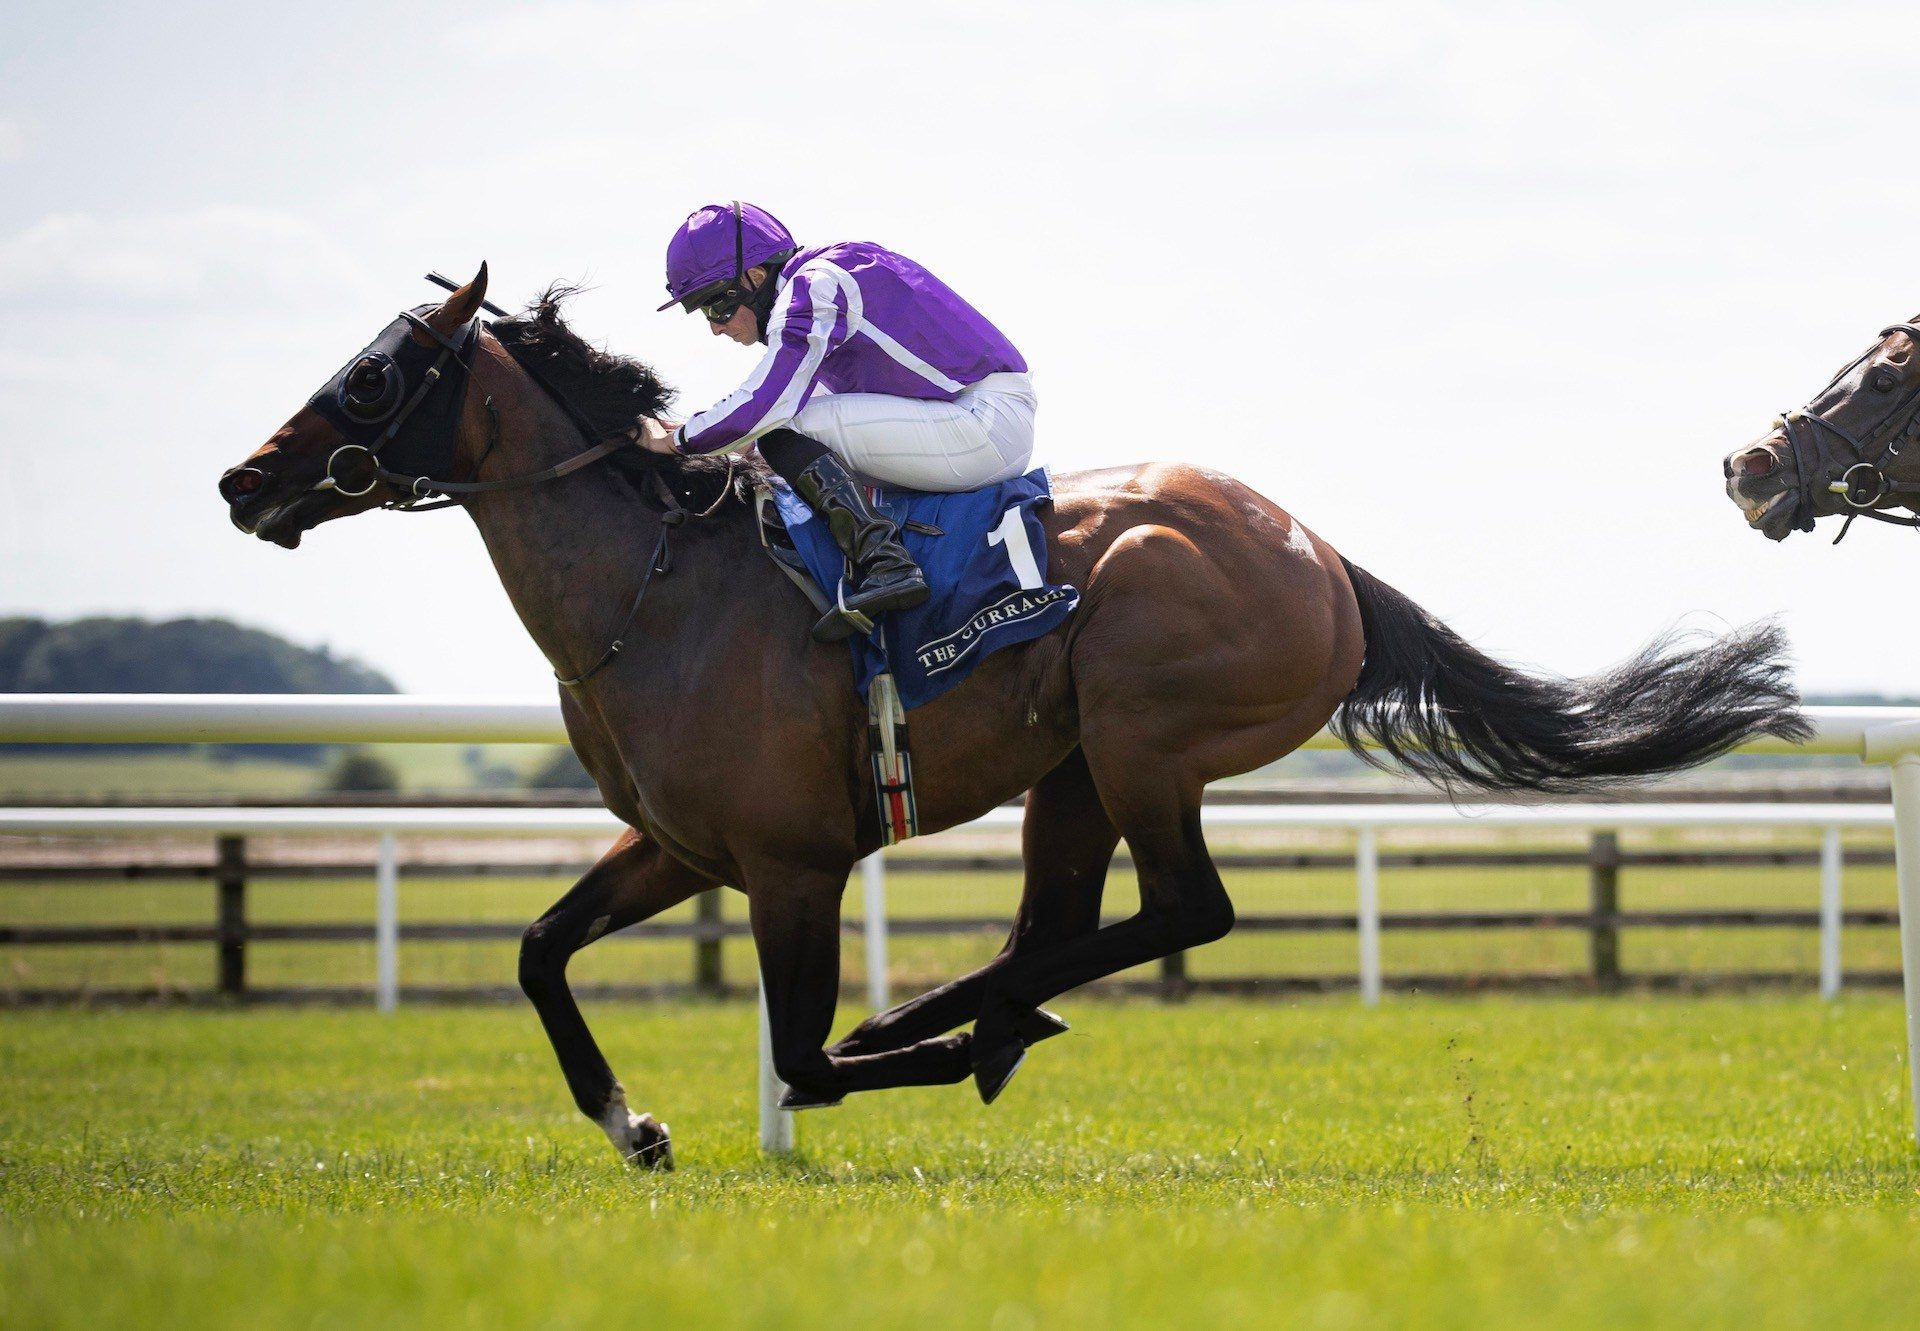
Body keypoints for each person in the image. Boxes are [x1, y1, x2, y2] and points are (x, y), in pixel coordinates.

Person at [637, 201, 1036, 641]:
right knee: (778, 443)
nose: (716, 328)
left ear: (752, 277)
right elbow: (798, 406)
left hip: (983, 421)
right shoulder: (828, 274)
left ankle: (885, 564)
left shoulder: (816, 283)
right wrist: (699, 429)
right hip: (974, 417)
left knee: (782, 431)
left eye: (715, 307)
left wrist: (677, 442)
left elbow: (770, 403)